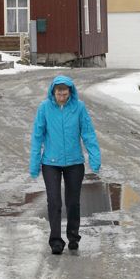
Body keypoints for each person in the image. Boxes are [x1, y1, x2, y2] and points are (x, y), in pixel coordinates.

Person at [29, 75, 102, 255]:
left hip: (74, 162)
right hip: (50, 163)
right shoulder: (44, 108)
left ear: (70, 92)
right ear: (53, 92)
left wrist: (94, 157)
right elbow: (37, 136)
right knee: (54, 201)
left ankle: (73, 237)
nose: (62, 96)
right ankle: (56, 241)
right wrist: (34, 162)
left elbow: (88, 133)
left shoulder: (79, 108)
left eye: (65, 93)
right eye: (58, 93)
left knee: (73, 202)